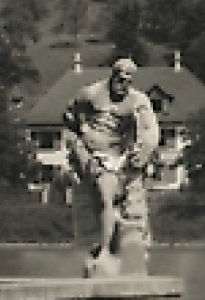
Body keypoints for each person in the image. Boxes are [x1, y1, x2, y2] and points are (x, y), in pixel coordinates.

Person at [62, 57, 158, 263]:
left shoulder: (138, 100)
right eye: (121, 79)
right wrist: (81, 142)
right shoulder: (91, 93)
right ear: (113, 76)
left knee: (132, 200)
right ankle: (104, 247)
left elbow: (151, 131)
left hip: (122, 155)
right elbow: (70, 115)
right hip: (95, 155)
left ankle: (132, 242)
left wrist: (142, 152)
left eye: (129, 81)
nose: (124, 85)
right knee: (103, 198)